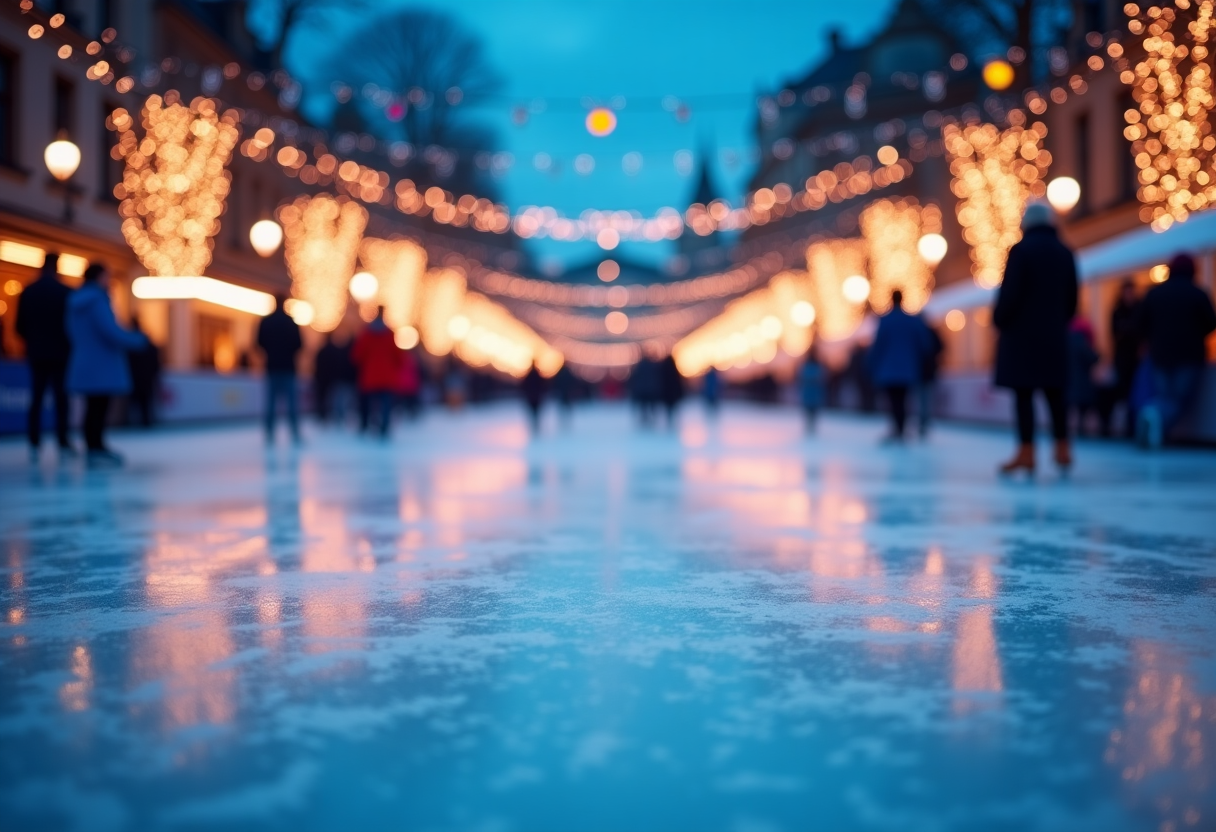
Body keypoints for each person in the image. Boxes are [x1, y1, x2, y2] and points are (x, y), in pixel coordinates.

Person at [992, 201, 1078, 474]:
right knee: (1056, 395)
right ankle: (1062, 449)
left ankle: (1026, 453)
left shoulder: (1021, 251)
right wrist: (1058, 322)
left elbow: (1010, 295)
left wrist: (1000, 319)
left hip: (1022, 338)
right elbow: (1073, 298)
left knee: (1024, 396)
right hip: (1053, 336)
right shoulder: (1065, 253)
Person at [64, 263, 148, 466]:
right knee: (99, 407)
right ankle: (96, 447)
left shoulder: (76, 302)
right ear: (98, 277)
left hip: (84, 360)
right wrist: (138, 340)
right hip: (101, 363)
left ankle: (93, 445)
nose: (109, 281)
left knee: (92, 406)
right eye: (106, 276)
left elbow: (69, 331)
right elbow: (110, 331)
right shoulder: (98, 301)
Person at [1137, 253, 1216, 446]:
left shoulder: (1155, 293)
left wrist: (1153, 338)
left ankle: (1152, 417)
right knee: (1178, 399)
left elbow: (1139, 323)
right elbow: (1211, 323)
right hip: (1189, 354)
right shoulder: (1198, 294)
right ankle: (1155, 417)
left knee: (1164, 395)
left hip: (1160, 354)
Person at [15, 254, 74, 460]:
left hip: (37, 353)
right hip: (60, 354)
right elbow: (71, 327)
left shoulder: (29, 291)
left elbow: (19, 326)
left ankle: (34, 439)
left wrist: (33, 341)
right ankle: (62, 439)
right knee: (61, 398)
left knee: (37, 397)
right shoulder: (65, 292)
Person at [867, 289, 932, 442]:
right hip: (908, 369)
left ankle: (897, 429)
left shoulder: (885, 320)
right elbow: (925, 345)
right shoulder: (913, 320)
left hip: (888, 370)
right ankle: (901, 428)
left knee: (893, 400)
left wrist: (871, 365)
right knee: (904, 399)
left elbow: (878, 345)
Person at [350, 307, 404, 439]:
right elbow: (398, 356)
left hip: (370, 376)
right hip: (386, 376)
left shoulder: (366, 334)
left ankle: (366, 425)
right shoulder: (389, 334)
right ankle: (384, 427)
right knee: (385, 404)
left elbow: (357, 355)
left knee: (368, 403)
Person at [256, 295, 303, 445]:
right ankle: (295, 433)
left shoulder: (266, 322)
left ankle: (269, 434)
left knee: (270, 403)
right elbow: (299, 344)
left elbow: (258, 342)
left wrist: (270, 352)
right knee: (292, 404)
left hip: (272, 367)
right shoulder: (291, 322)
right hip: (288, 367)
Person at [1109, 280, 1142, 436]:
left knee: (1135, 392)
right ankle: (1125, 427)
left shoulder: (1138, 310)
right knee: (1124, 393)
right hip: (1122, 359)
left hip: (1136, 359)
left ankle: (1133, 425)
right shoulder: (1118, 311)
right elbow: (1116, 334)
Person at [1066, 317, 1099, 436]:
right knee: (1081, 410)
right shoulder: (1082, 342)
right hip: (1082, 384)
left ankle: (1064, 432)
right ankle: (1080, 429)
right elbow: (1094, 358)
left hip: (1068, 383)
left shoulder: (1066, 340)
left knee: (1068, 408)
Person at [126, 316, 161, 427]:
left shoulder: (131, 342)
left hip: (135, 376)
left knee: (136, 402)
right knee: (145, 401)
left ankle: (134, 423)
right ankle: (145, 422)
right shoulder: (143, 343)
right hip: (145, 377)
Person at [313, 333, 354, 425]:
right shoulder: (335, 351)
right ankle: (337, 415)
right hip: (332, 379)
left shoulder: (322, 351)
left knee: (326, 399)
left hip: (323, 379)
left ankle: (324, 415)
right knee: (338, 399)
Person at [918, 324, 944, 438]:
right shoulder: (931, 333)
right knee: (925, 397)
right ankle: (924, 420)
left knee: (923, 397)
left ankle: (924, 421)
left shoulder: (920, 334)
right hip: (927, 371)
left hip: (922, 372)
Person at [798, 349, 825, 434]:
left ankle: (810, 426)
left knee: (809, 411)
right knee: (812, 411)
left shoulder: (805, 366)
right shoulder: (819, 367)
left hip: (809, 393)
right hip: (814, 393)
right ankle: (811, 426)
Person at [658, 354, 684, 429]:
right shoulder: (675, 370)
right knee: (673, 407)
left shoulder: (663, 370)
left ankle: (669, 420)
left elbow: (661, 382)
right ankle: (673, 421)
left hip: (666, 393)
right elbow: (678, 383)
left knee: (668, 408)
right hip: (673, 393)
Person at [520, 363, 546, 433]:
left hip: (531, 396)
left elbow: (524, 385)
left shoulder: (528, 375)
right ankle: (536, 423)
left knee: (533, 410)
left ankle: (535, 423)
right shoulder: (537, 374)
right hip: (536, 395)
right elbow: (542, 384)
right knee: (536, 410)